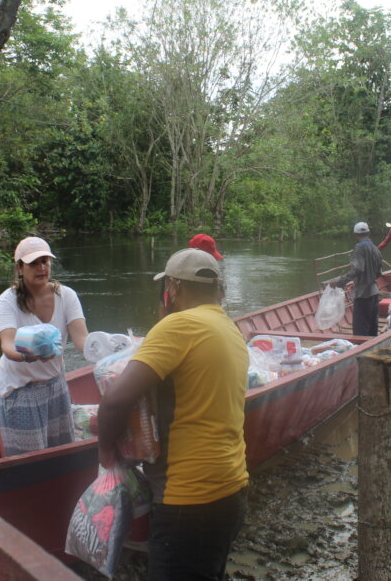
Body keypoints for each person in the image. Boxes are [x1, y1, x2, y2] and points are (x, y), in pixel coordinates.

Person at [98, 248, 249, 580]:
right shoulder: (229, 329)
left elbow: (115, 401)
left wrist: (106, 452)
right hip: (232, 490)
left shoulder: (179, 326)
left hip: (188, 500)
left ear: (174, 288)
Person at [0, 236, 88, 456]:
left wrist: (109, 352)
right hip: (20, 389)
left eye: (45, 261)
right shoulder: (8, 300)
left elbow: (82, 340)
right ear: (19, 267)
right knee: (30, 460)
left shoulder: (67, 296)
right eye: (34, 263)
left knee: (63, 454)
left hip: (55, 384)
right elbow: (7, 346)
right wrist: (29, 355)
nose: (42, 267)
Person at [331, 221, 383, 337]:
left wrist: (339, 282)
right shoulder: (376, 249)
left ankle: (360, 352)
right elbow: (379, 273)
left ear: (355, 235)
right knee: (372, 328)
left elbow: (357, 269)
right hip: (374, 293)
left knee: (360, 330)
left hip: (363, 294)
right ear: (368, 233)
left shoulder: (359, 248)